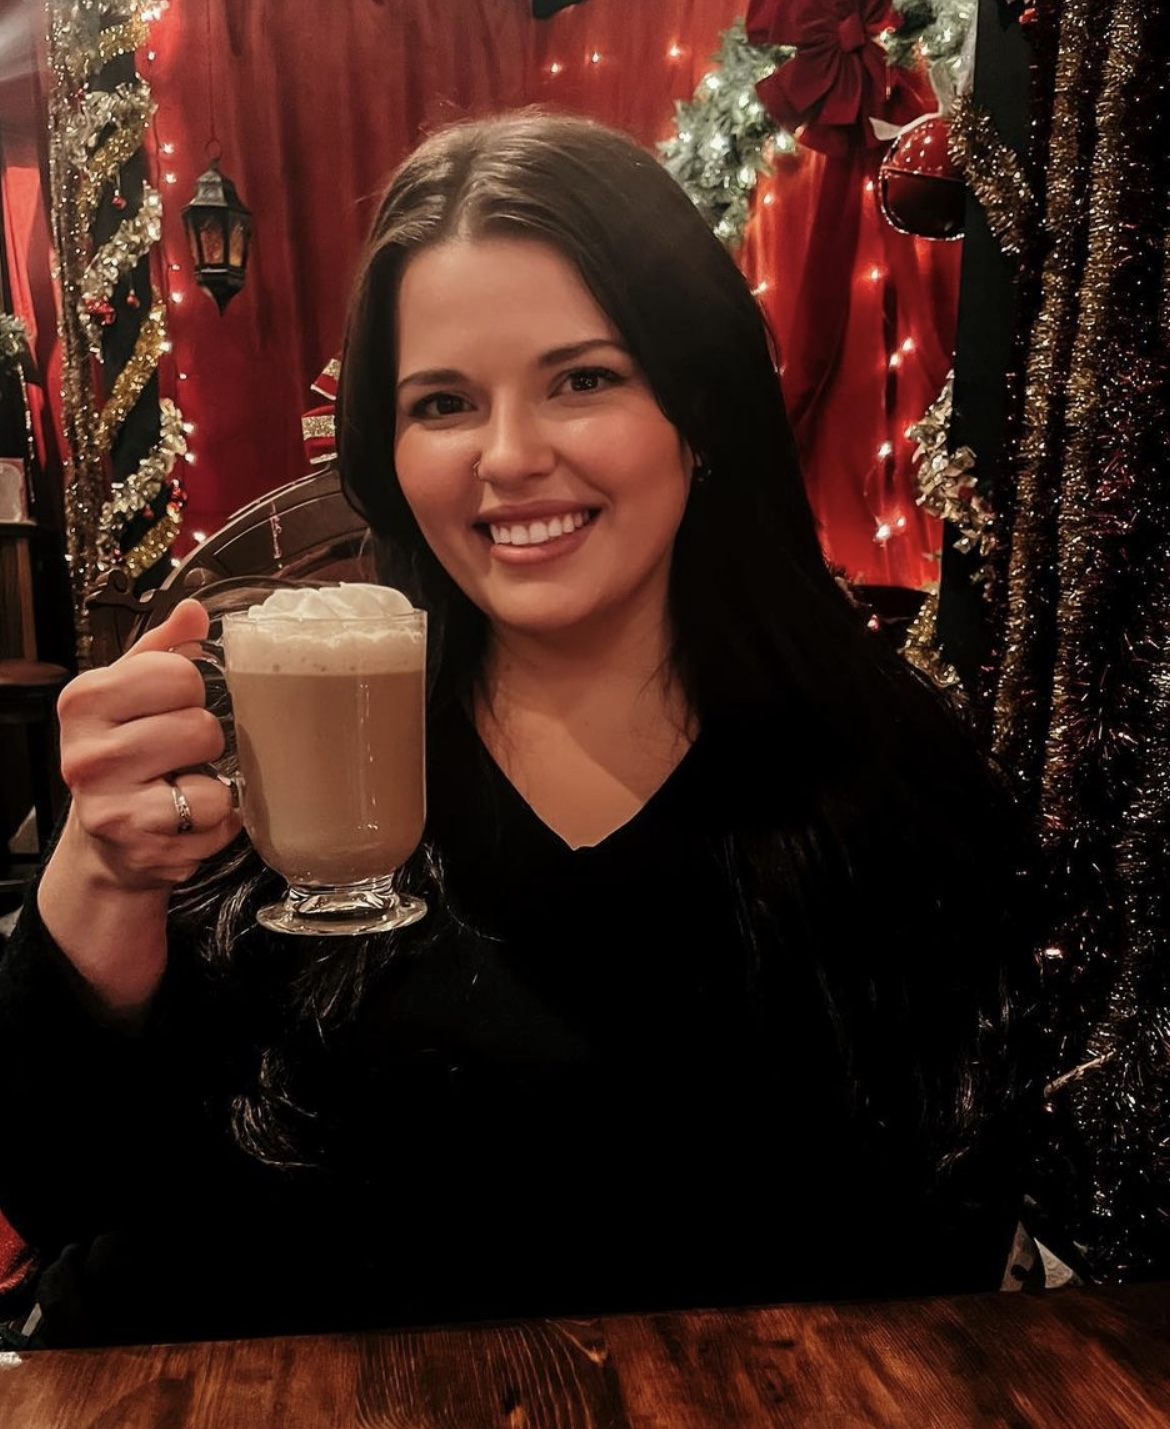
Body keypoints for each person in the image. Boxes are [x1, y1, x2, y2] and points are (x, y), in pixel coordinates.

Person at [0, 111, 1040, 1348]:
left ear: (696, 411)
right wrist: (95, 873)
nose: (508, 456)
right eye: (443, 402)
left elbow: (943, 1239)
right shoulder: (265, 742)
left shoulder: (886, 779)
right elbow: (61, 1187)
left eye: (584, 378)